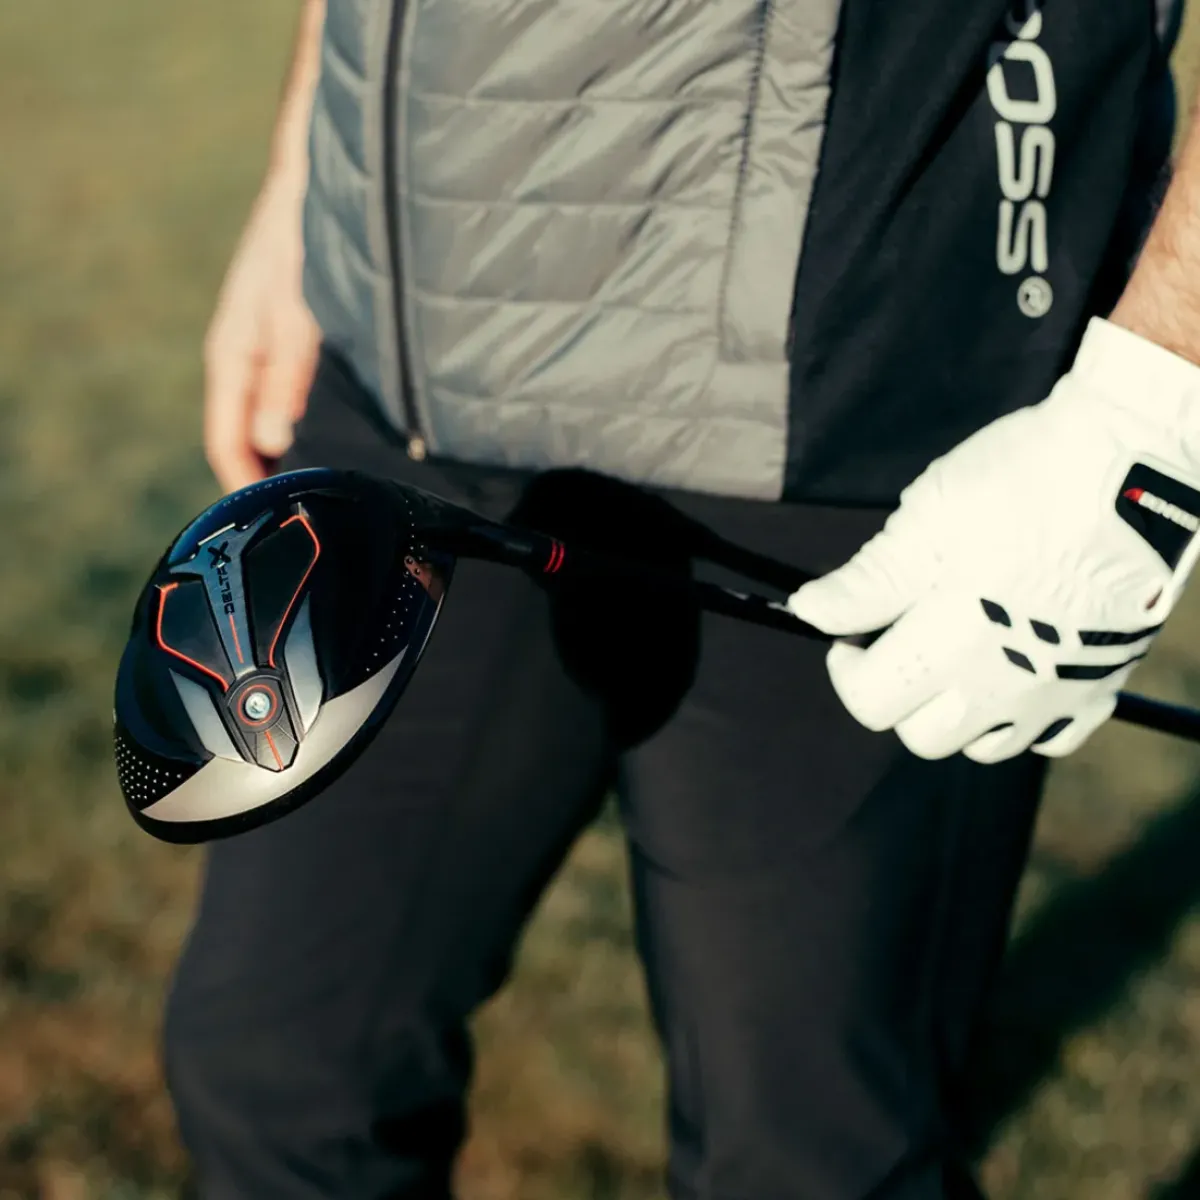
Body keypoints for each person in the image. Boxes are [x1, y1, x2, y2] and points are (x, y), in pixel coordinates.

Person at [163, 0, 1200, 1195]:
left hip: (863, 410)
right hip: (414, 392)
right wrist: (307, 173)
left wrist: (1155, 417)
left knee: (811, 1158)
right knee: (279, 1075)